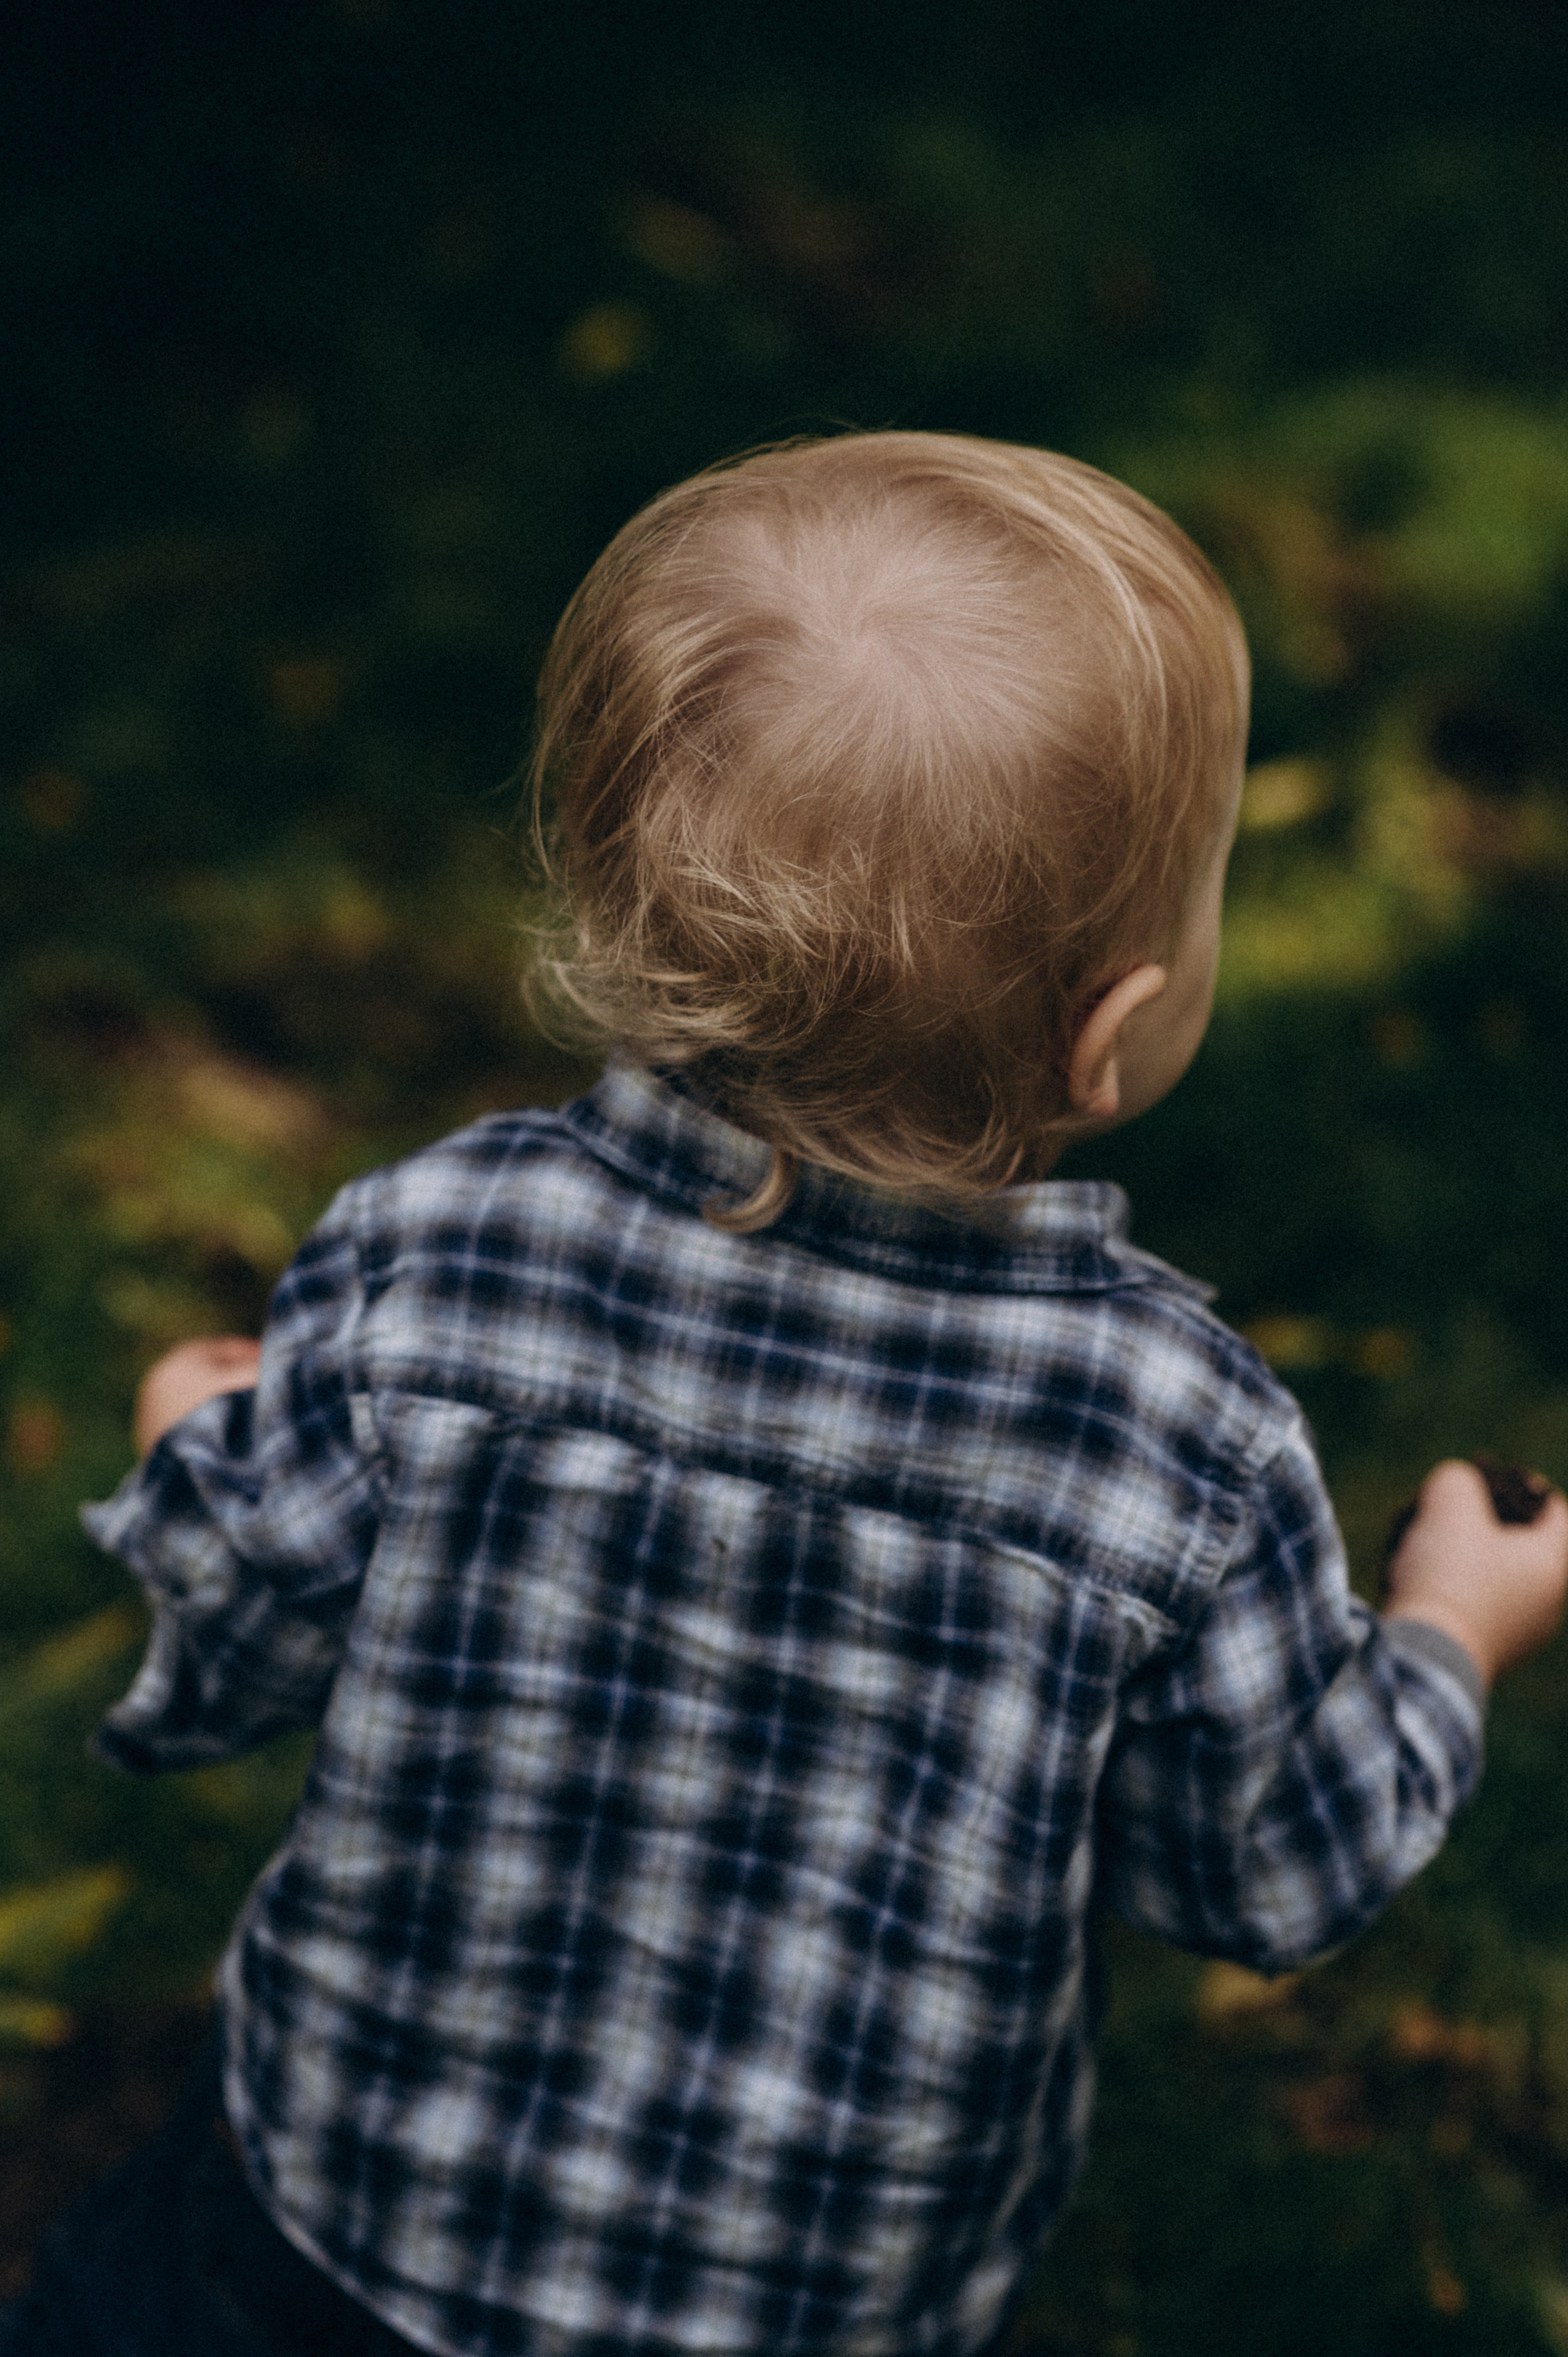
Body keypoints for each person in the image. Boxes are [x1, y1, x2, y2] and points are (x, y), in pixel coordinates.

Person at [13, 432, 1567, 2357]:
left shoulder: (441, 1253)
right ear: (1104, 1032)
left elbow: (251, 1614)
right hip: (802, 2303)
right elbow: (1262, 1861)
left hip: (337, 2222)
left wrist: (193, 1432)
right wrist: (1448, 1629)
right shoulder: (1173, 1444)